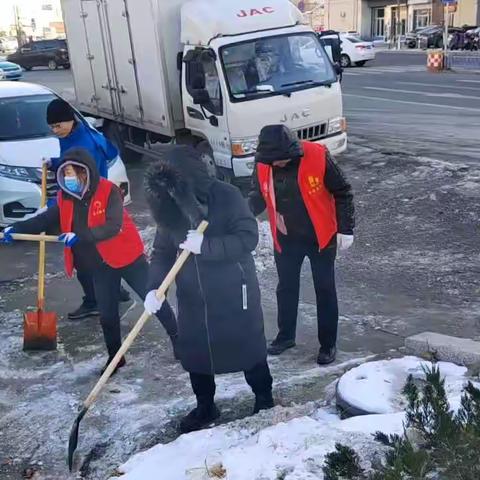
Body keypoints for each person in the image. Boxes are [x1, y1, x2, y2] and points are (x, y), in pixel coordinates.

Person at [2, 148, 178, 373]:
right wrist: (15, 229)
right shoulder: (65, 198)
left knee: (153, 298)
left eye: (73, 174)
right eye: (65, 174)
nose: (69, 179)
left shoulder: (108, 191)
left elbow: (113, 225)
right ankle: (116, 357)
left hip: (126, 256)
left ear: (86, 173)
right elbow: (45, 219)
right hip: (99, 264)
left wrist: (81, 235)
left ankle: (178, 339)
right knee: (107, 314)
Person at [143, 146, 273, 434]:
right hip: (192, 295)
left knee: (247, 347)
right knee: (196, 353)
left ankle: (264, 397)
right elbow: (162, 251)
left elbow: (248, 237)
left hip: (232, 290)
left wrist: (207, 247)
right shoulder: (170, 207)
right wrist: (154, 288)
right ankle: (206, 406)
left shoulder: (227, 196)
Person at [249, 125, 355, 365]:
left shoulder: (317, 155)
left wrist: (346, 228)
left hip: (320, 236)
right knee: (286, 287)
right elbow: (257, 196)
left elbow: (343, 191)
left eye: (277, 161)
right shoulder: (264, 162)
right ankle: (285, 336)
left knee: (324, 289)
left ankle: (328, 344)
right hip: (286, 236)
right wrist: (239, 216)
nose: (273, 165)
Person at [45, 98, 130, 320]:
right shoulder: (74, 135)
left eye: (58, 125)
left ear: (69, 120)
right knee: (101, 252)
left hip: (88, 204)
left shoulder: (84, 144)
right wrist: (56, 163)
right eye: (52, 127)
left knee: (82, 256)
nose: (55, 131)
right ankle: (114, 290)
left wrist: (55, 207)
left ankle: (94, 302)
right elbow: (71, 163)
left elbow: (80, 182)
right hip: (93, 200)